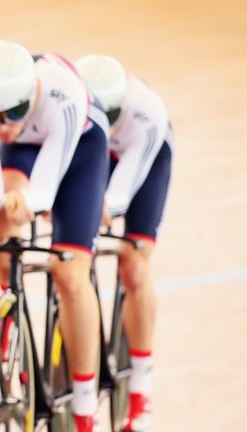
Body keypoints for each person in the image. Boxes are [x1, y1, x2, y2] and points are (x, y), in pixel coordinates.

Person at [0, 41, 110, 432]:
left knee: (69, 273)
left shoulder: (62, 94)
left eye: (11, 113)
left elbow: (43, 193)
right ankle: (11, 301)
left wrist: (25, 201)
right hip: (24, 152)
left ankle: (85, 406)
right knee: (1, 213)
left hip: (80, 149)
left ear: (29, 94)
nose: (0, 125)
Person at [76, 54, 173, 432]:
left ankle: (140, 390)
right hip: (94, 152)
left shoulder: (146, 114)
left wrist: (96, 209)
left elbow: (117, 198)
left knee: (134, 265)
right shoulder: (78, 109)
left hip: (142, 159)